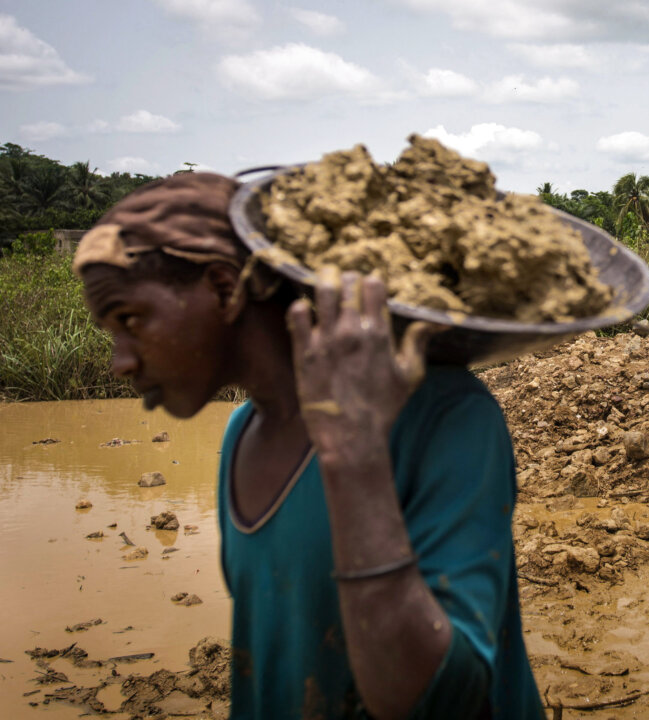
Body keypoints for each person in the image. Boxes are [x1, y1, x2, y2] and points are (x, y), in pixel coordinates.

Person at [73, 173, 545, 719]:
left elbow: (439, 699)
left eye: (130, 320)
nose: (121, 361)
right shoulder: (241, 433)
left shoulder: (443, 414)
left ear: (225, 289)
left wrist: (354, 456)